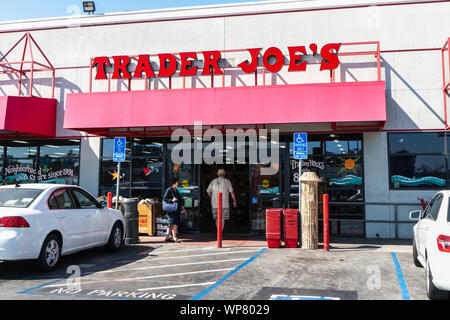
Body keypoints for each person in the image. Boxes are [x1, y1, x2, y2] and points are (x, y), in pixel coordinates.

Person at [163, 178, 186, 243]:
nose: (178, 183)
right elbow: (165, 199)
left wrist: (183, 208)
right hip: (171, 210)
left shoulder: (176, 190)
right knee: (172, 223)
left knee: (173, 223)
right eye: (177, 182)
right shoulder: (169, 190)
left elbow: (180, 200)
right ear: (173, 183)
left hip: (176, 209)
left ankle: (168, 237)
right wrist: (171, 200)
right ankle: (174, 237)